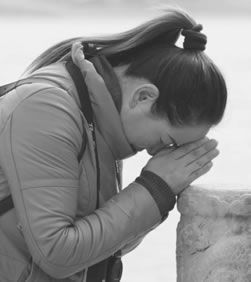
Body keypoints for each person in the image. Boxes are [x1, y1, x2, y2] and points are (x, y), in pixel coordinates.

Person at [0, 8, 226, 282]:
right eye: (166, 141)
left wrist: (158, 193)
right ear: (143, 97)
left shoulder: (97, 118)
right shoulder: (48, 108)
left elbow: (100, 248)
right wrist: (155, 187)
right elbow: (56, 253)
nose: (157, 152)